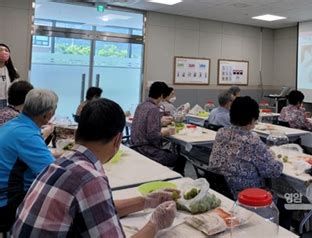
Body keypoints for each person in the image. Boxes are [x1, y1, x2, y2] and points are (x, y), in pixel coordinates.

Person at [13, 98, 177, 237]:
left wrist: (147, 201)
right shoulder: (90, 178)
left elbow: (98, 210)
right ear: (118, 140)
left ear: (77, 133)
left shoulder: (60, 163)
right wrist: (155, 224)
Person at [0, 89, 58, 231]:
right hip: (7, 205)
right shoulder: (27, 136)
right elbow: (53, 176)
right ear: (48, 115)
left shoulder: (12, 125)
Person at [209, 96, 283, 197]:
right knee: (284, 196)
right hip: (247, 195)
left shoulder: (221, 133)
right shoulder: (251, 140)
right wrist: (275, 156)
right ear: (252, 119)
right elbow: (274, 171)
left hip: (221, 191)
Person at [131, 81, 186, 174]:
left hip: (134, 146)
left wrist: (159, 123)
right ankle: (175, 180)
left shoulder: (141, 105)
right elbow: (152, 135)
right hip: (146, 150)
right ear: (161, 95)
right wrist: (165, 132)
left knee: (168, 153)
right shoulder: (153, 109)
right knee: (181, 159)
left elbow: (144, 125)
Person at [0, 44, 20, 108]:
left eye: (6, 50)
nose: (4, 52)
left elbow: (15, 88)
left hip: (7, 101)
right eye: (1, 50)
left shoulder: (13, 70)